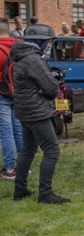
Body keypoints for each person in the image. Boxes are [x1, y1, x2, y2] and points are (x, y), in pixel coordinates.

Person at [10, 24, 68, 203]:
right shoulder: (34, 60)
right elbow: (51, 88)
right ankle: (45, 193)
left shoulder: (20, 58)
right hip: (37, 112)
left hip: (24, 110)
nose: (49, 45)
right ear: (40, 42)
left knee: (28, 150)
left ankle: (20, 190)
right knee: (51, 150)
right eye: (48, 42)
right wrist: (48, 88)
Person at [0, 22, 24, 179]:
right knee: (18, 128)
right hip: (17, 92)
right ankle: (23, 164)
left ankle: (10, 169)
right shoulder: (17, 47)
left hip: (2, 93)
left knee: (5, 131)